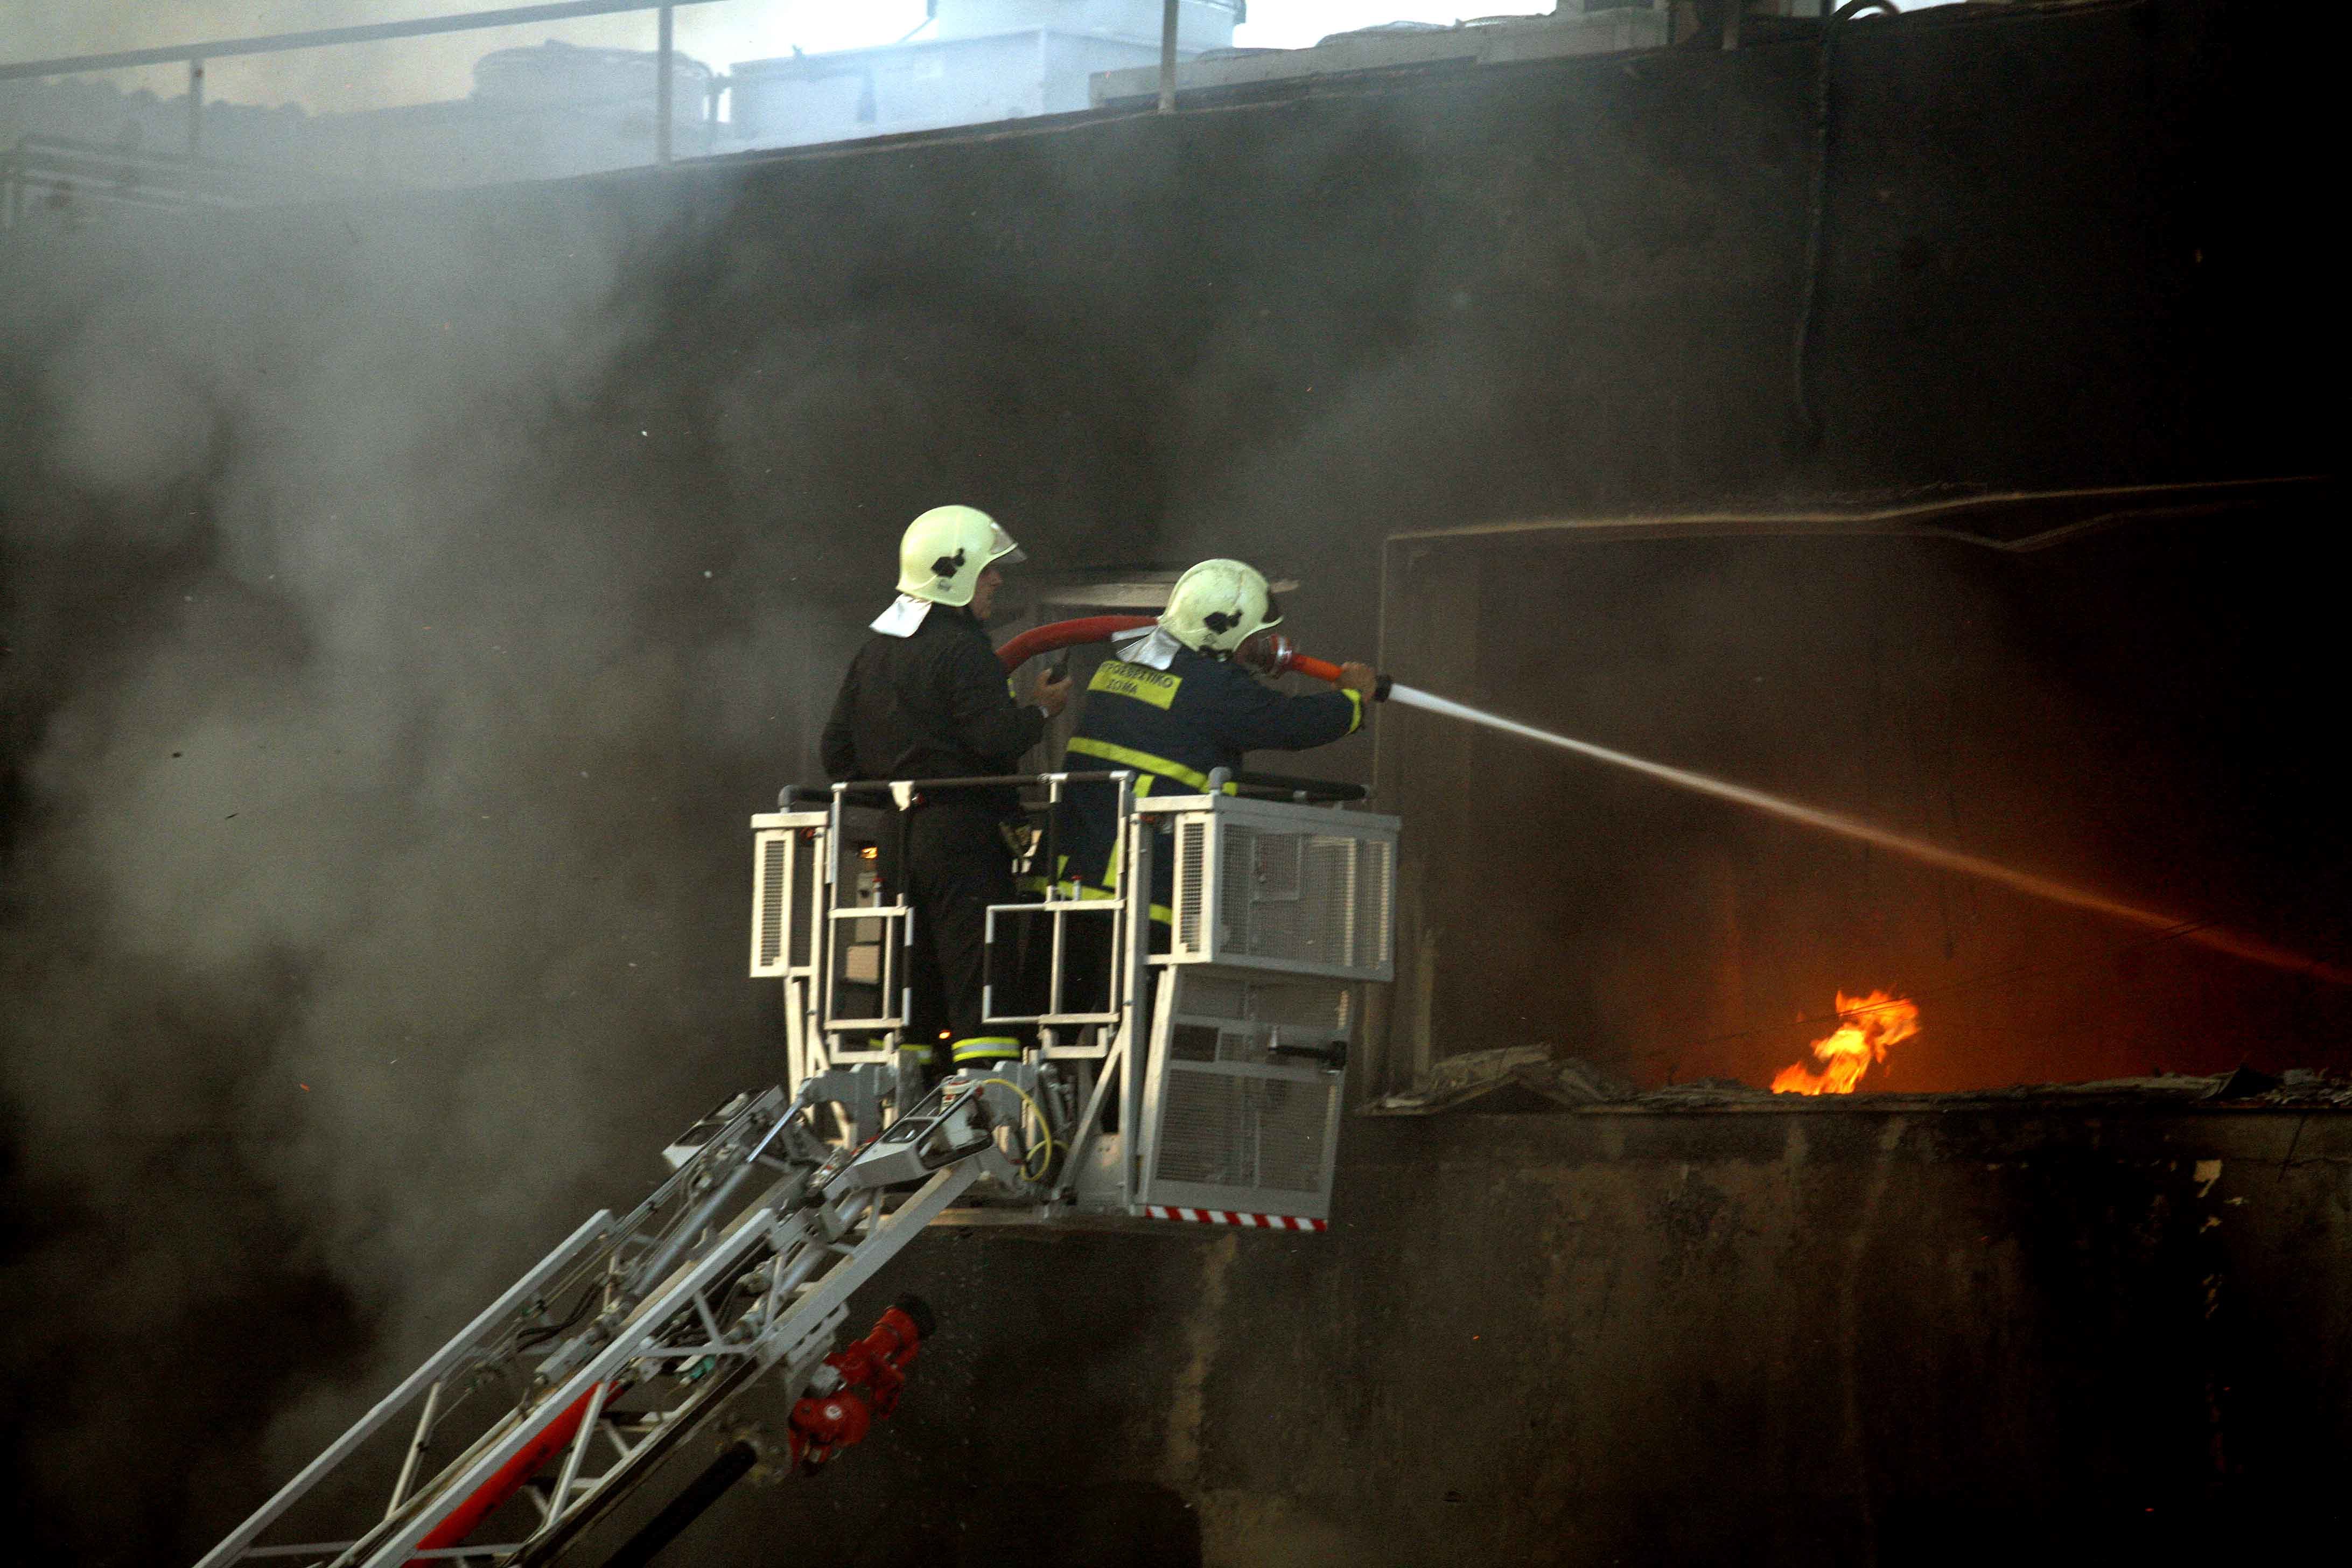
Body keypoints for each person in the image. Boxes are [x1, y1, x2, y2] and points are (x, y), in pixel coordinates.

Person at [1049, 559, 1377, 1012]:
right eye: (1248, 638)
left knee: (1062, 1021)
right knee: (1133, 1036)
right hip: (1143, 895)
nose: (1254, 648)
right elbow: (1284, 723)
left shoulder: (1126, 659)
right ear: (1220, 630)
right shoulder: (1210, 687)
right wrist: (1351, 700)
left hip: (1076, 882)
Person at [821, 505, 1070, 1081]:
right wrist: (1039, 709)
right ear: (954, 574)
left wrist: (897, 769)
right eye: (988, 571)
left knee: (913, 977)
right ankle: (983, 1112)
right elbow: (994, 739)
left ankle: (911, 1100)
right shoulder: (964, 649)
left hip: (897, 838)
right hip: (961, 837)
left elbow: (836, 753)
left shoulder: (875, 651)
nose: (998, 581)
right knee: (977, 977)